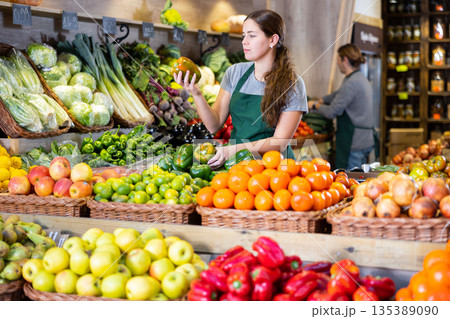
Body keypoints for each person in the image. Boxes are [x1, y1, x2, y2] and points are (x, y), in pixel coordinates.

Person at [174, 10, 308, 169]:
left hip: (276, 169)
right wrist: (196, 93)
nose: (244, 41)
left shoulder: (292, 84)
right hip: (237, 165)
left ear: (273, 39)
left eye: (252, 36)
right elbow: (213, 125)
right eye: (244, 36)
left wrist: (232, 150)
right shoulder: (235, 73)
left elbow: (279, 142)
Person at [307, 44, 375, 170]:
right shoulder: (360, 78)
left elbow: (333, 111)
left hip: (353, 143)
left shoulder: (351, 83)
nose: (337, 63)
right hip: (365, 140)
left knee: (350, 179)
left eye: (338, 59)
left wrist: (315, 105)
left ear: (345, 60)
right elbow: (339, 94)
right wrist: (323, 99)